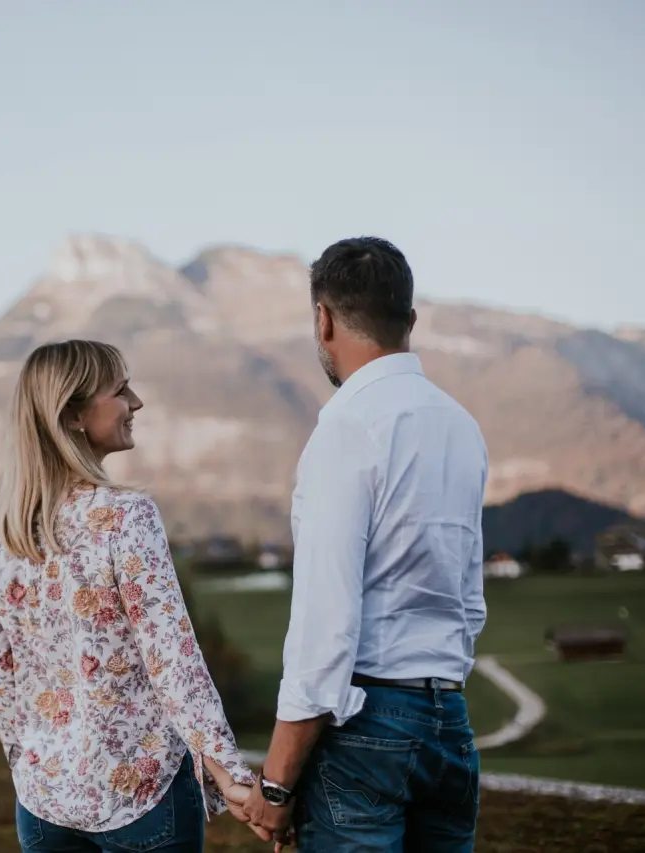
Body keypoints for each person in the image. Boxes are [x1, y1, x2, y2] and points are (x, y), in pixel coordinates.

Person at [240, 237, 489, 852]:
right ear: (409, 320)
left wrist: (275, 787)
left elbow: (326, 628)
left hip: (366, 728)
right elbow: (470, 601)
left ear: (323, 320)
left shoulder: (347, 430)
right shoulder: (461, 427)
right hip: (449, 722)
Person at [0, 339, 268, 853]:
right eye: (120, 389)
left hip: (44, 803)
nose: (137, 402)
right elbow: (172, 658)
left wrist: (29, 762)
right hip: (143, 796)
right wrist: (229, 776)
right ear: (74, 415)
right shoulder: (126, 518)